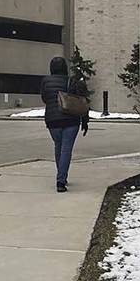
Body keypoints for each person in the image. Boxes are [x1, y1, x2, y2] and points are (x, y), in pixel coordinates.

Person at [40, 56, 89, 192]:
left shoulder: (45, 81)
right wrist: (85, 121)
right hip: (70, 119)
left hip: (52, 120)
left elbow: (44, 98)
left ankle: (61, 176)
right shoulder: (71, 80)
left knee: (58, 146)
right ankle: (61, 181)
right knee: (66, 149)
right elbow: (80, 101)